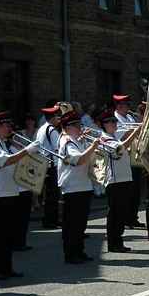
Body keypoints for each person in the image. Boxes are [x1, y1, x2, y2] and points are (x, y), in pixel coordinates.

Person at [0, 111, 39, 279]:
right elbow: (4, 161)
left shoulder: (1, 142)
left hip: (9, 191)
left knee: (8, 235)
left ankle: (6, 267)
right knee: (0, 235)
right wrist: (27, 150)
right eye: (6, 125)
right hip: (0, 193)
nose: (9, 128)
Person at [57, 110, 98, 263]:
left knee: (80, 224)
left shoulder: (76, 140)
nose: (80, 127)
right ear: (68, 127)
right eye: (77, 125)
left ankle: (79, 251)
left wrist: (86, 142)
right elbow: (79, 160)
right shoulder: (67, 142)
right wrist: (93, 146)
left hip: (83, 186)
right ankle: (71, 254)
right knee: (72, 224)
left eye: (79, 124)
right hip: (73, 188)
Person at [96, 109, 135, 252]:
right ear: (103, 125)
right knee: (115, 213)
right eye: (109, 122)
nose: (114, 124)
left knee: (122, 212)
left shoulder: (113, 136)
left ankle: (118, 240)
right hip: (114, 180)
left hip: (124, 178)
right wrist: (136, 132)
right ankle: (114, 242)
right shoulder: (105, 138)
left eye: (114, 121)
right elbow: (120, 149)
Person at [113, 94, 145, 229]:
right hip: (123, 159)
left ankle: (133, 217)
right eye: (126, 105)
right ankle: (126, 218)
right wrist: (135, 130)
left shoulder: (130, 117)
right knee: (128, 190)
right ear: (119, 106)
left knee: (136, 189)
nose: (128, 107)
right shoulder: (114, 119)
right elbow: (122, 136)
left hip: (134, 156)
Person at [35, 105, 62, 229]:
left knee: (49, 195)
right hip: (52, 165)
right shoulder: (52, 130)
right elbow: (59, 147)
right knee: (53, 195)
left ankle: (51, 219)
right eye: (58, 116)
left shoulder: (42, 129)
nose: (59, 119)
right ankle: (51, 221)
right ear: (53, 117)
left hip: (44, 164)